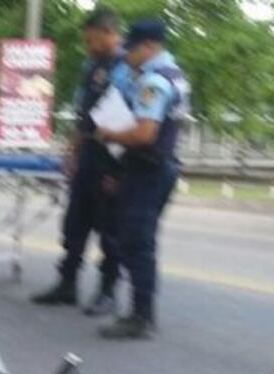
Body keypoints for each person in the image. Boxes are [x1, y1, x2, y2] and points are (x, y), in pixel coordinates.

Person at [96, 18, 189, 339]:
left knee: (137, 242)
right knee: (138, 240)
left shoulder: (154, 82)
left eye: (131, 49)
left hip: (148, 168)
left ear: (148, 46)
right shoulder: (174, 75)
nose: (126, 55)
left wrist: (109, 133)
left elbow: (145, 133)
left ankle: (140, 317)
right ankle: (141, 312)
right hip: (154, 168)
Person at [32, 8, 125, 317]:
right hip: (88, 154)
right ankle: (67, 283)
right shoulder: (91, 65)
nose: (88, 47)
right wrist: (71, 153)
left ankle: (107, 291)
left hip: (112, 157)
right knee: (75, 224)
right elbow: (82, 115)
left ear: (109, 33)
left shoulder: (127, 66)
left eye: (92, 40)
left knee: (109, 230)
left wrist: (118, 170)